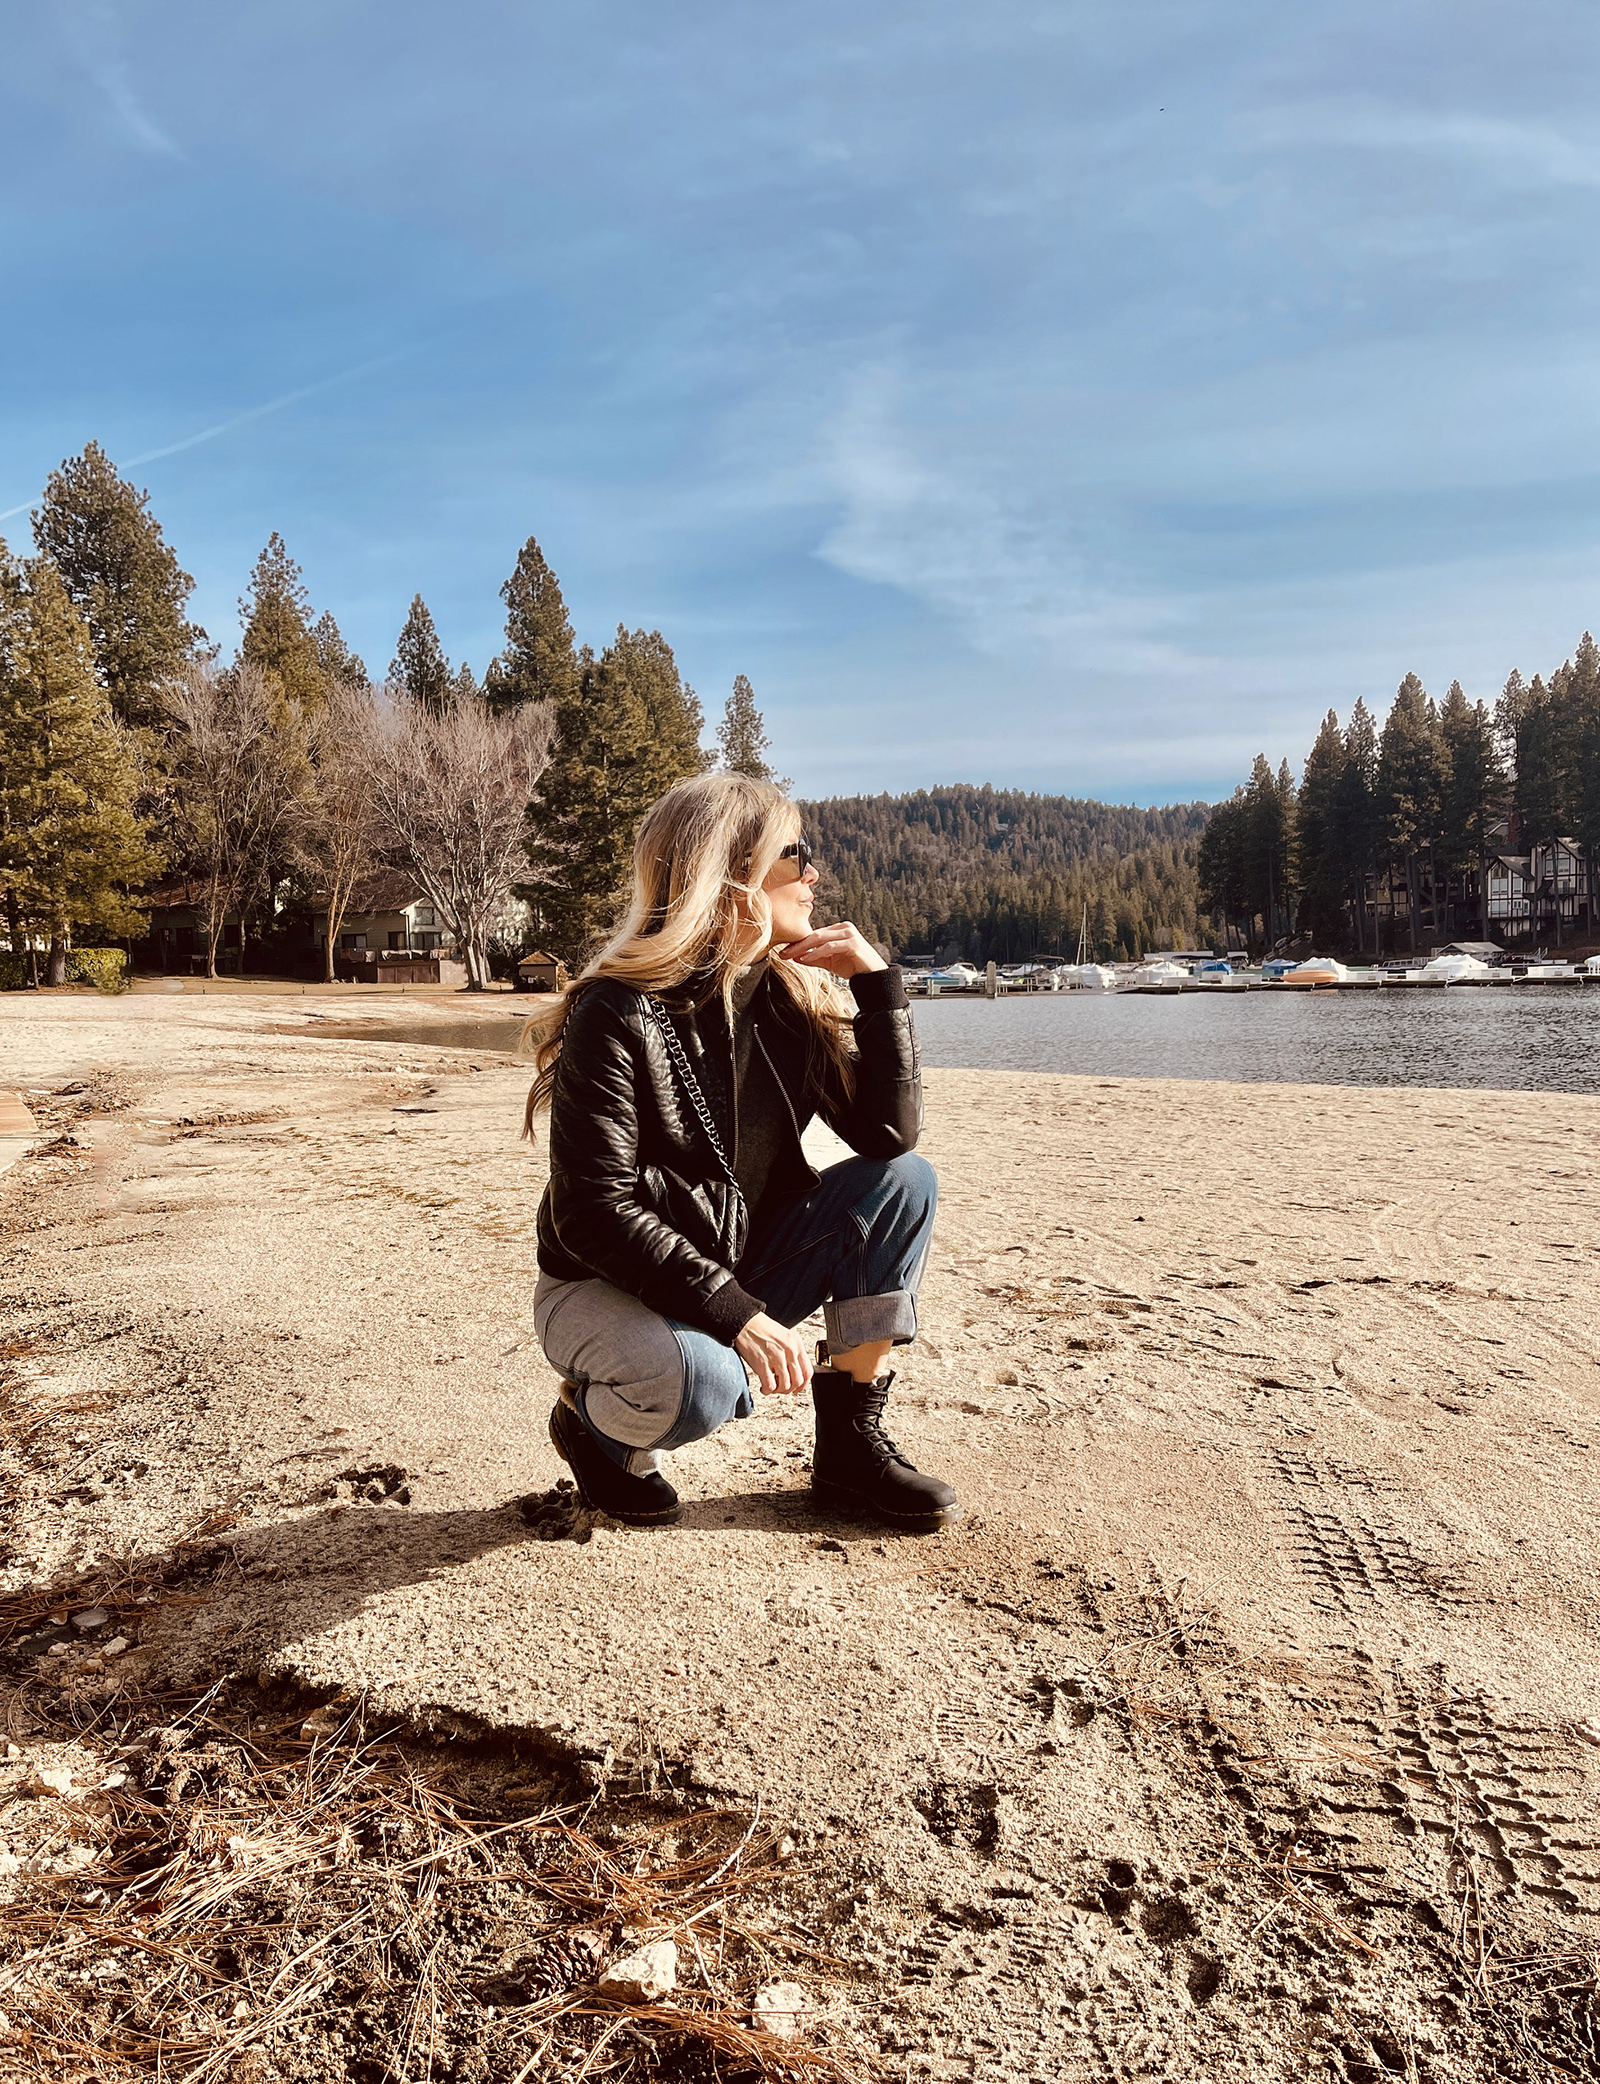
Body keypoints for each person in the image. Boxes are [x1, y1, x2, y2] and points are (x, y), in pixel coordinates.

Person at [521, 772, 956, 1533]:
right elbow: (594, 1210)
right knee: (704, 1385)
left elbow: (888, 1139)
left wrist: (880, 991)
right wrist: (740, 1317)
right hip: (601, 1286)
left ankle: (848, 1447)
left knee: (903, 1184)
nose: (814, 874)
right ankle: (593, 1429)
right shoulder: (617, 1010)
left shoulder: (788, 997)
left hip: (730, 1263)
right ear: (731, 877)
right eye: (795, 856)